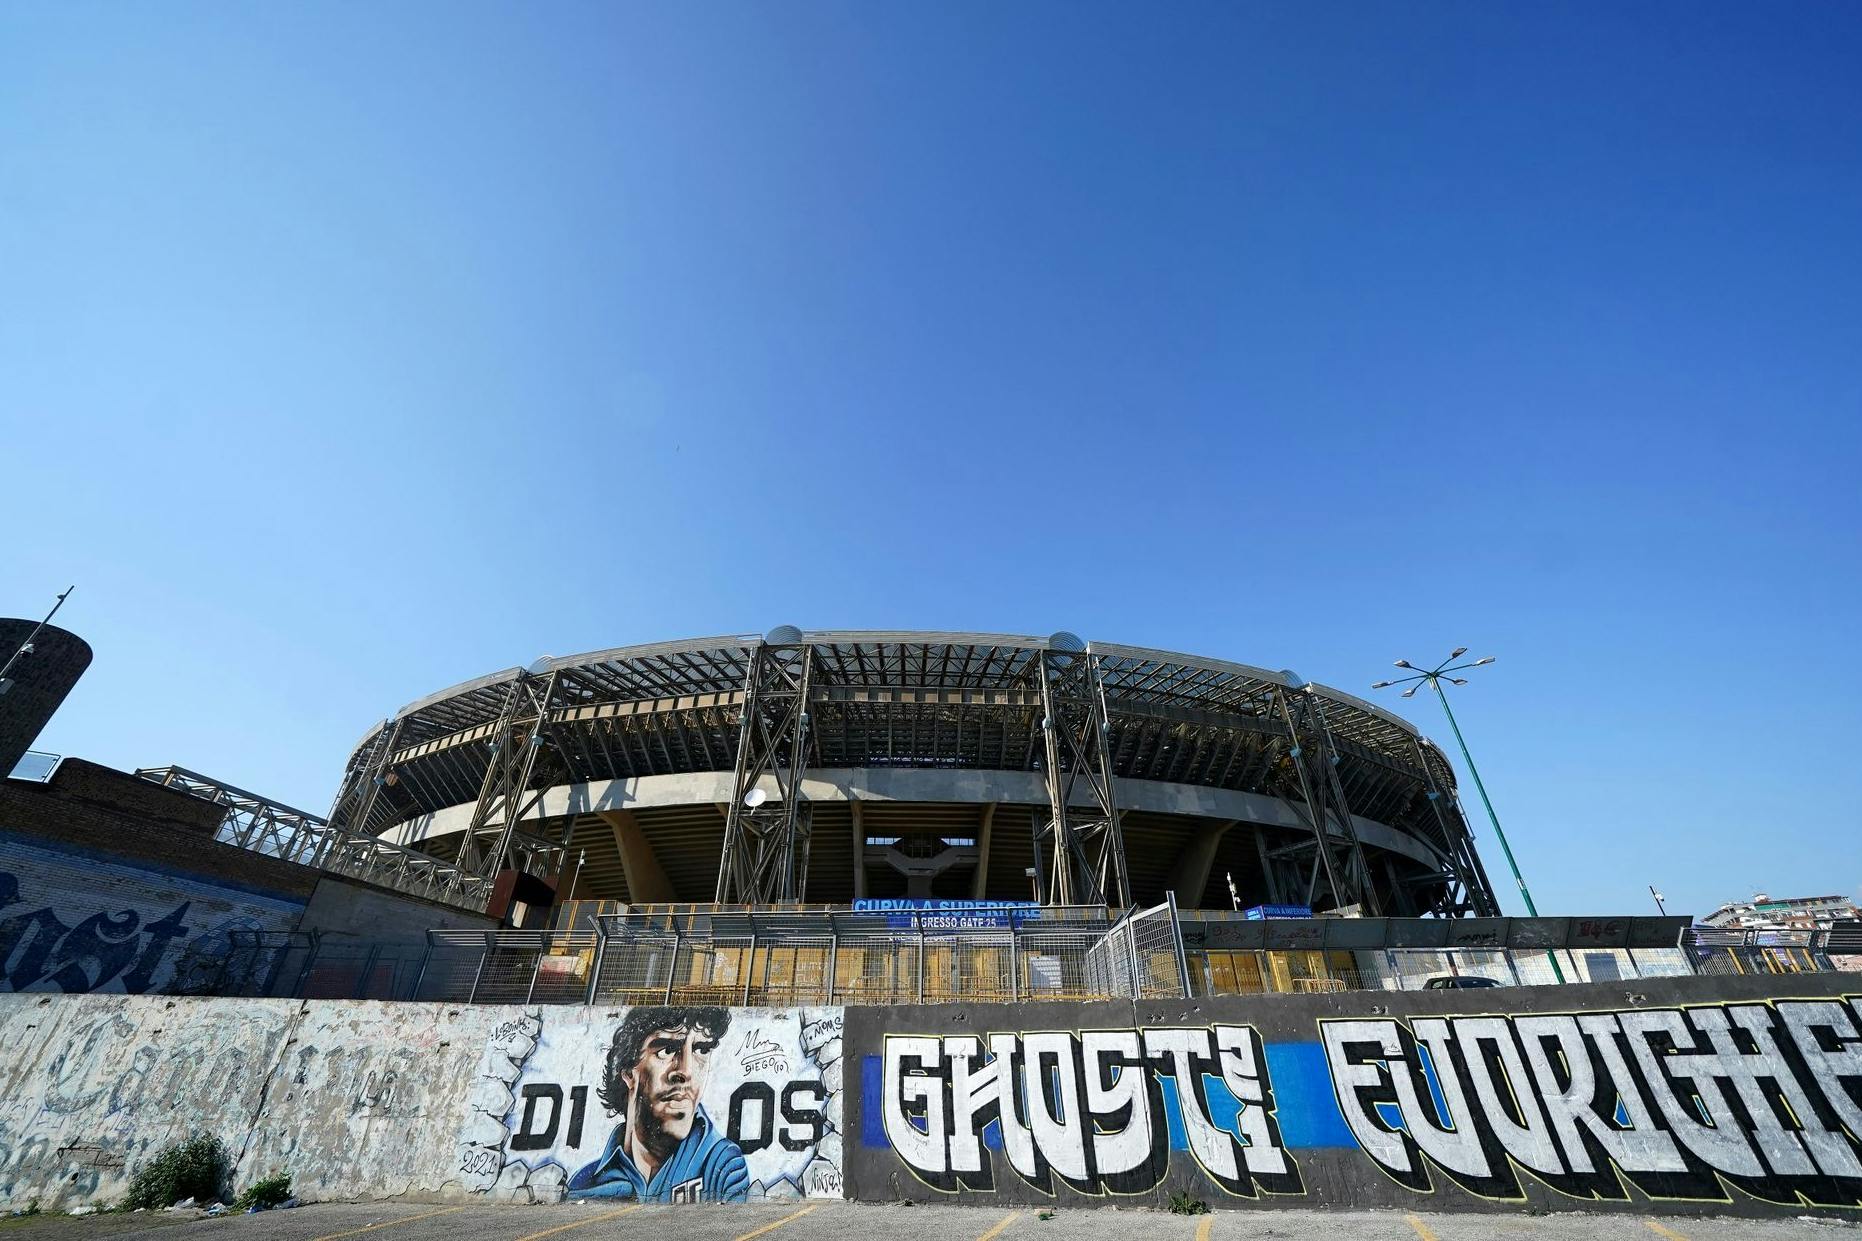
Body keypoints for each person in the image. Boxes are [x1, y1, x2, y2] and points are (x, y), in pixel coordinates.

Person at [567, 1006, 750, 1203]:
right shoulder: (586, 1183)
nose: (686, 1071)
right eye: (667, 1050)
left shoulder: (721, 1166)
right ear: (629, 1072)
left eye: (701, 1050)